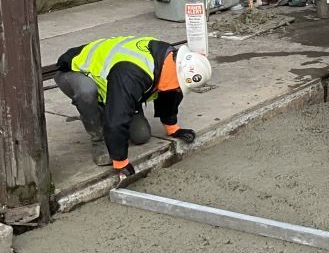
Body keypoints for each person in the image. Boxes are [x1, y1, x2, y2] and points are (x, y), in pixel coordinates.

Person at [54, 37, 211, 177]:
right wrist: (120, 162)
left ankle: (107, 107)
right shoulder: (132, 73)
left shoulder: (171, 61)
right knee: (87, 94)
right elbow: (117, 117)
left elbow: (170, 95)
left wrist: (173, 128)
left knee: (141, 135)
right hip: (76, 71)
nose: (178, 89)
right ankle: (98, 138)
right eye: (179, 86)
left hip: (115, 81)